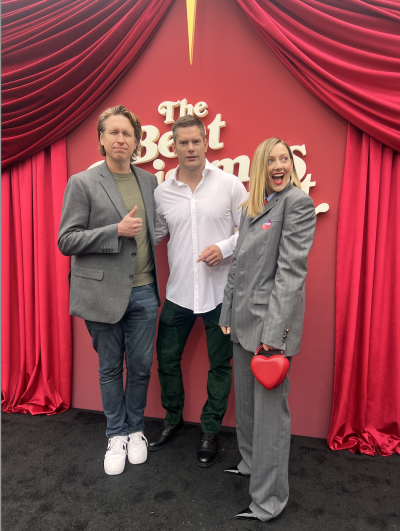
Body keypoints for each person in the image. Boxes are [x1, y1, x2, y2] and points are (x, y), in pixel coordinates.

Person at [58, 105, 160, 475]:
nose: (121, 139)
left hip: (145, 291)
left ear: (136, 142)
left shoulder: (149, 181)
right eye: (113, 132)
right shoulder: (82, 182)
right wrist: (113, 232)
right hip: (101, 294)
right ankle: (115, 433)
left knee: (142, 366)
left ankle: (136, 429)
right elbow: (66, 240)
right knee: (109, 367)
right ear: (101, 138)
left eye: (127, 133)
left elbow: (154, 230)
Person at [219, 137, 316, 521]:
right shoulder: (252, 207)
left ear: (291, 164)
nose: (280, 165)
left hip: (269, 330)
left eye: (285, 158)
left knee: (270, 417)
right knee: (245, 407)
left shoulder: (298, 204)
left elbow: (291, 274)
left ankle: (268, 502)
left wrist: (273, 339)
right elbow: (238, 266)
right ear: (260, 166)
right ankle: (249, 463)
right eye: (272, 160)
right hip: (242, 323)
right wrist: (226, 311)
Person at [148, 114, 248, 467]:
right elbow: (157, 234)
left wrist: (225, 247)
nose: (190, 148)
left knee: (221, 364)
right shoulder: (161, 192)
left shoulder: (230, 185)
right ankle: (172, 420)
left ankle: (210, 430)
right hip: (177, 294)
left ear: (206, 142)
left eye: (196, 141)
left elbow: (251, 229)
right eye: (183, 142)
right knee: (167, 360)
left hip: (220, 296)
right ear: (173, 147)